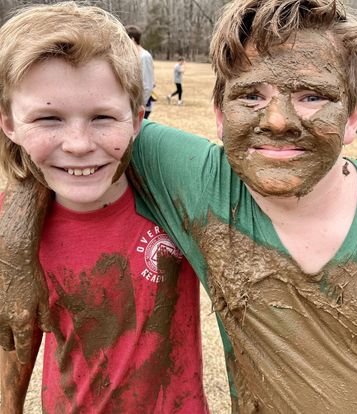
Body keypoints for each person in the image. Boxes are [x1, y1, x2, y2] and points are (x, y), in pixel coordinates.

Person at [1, 0, 357, 412]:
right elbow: (57, 142)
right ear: (219, 114)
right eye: (251, 95)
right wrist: (14, 248)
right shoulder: (196, 181)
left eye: (311, 96)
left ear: (353, 115)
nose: (277, 121)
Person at [0, 3, 209, 413]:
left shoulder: (173, 192)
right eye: (48, 119)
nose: (78, 144)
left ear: (137, 118)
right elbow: (13, 340)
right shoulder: (9, 224)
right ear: (9, 123)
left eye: (102, 117)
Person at [125, 24, 156, 118]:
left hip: (140, 107)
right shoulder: (132, 56)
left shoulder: (144, 57)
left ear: (132, 39)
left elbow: (147, 86)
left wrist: (139, 106)